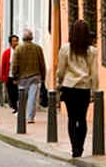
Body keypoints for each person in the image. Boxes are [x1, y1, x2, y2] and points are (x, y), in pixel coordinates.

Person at [56, 19, 98, 158]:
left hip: (69, 87)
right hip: (84, 88)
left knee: (72, 118)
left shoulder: (65, 49)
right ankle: (80, 146)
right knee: (82, 118)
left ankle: (74, 147)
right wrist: (94, 90)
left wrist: (59, 83)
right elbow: (94, 73)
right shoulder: (92, 51)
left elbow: (61, 70)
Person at [11, 29, 46, 124]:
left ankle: (21, 115)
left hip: (22, 77)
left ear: (23, 38)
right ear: (32, 37)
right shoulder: (38, 48)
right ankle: (30, 117)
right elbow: (42, 63)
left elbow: (14, 64)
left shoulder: (18, 49)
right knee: (32, 97)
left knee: (22, 97)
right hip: (35, 76)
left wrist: (14, 76)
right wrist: (43, 76)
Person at [1, 35, 18, 112]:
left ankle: (17, 106)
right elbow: (3, 65)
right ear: (10, 43)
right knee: (11, 92)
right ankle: (14, 106)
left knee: (17, 92)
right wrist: (3, 76)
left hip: (18, 76)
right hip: (9, 76)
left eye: (16, 41)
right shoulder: (7, 53)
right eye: (13, 41)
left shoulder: (20, 51)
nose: (15, 42)